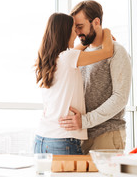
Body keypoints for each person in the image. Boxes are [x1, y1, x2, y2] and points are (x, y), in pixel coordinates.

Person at [34, 12, 114, 155]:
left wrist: (88, 40)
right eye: (73, 29)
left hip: (42, 139)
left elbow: (75, 52)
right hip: (63, 139)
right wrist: (105, 31)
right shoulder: (69, 57)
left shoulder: (49, 59)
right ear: (65, 32)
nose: (77, 34)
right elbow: (108, 51)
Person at [58, 0, 132, 154]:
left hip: (106, 133)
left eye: (80, 26)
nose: (77, 33)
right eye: (75, 28)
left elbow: (120, 97)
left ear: (96, 22)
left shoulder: (117, 52)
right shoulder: (80, 54)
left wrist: (85, 121)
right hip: (80, 134)